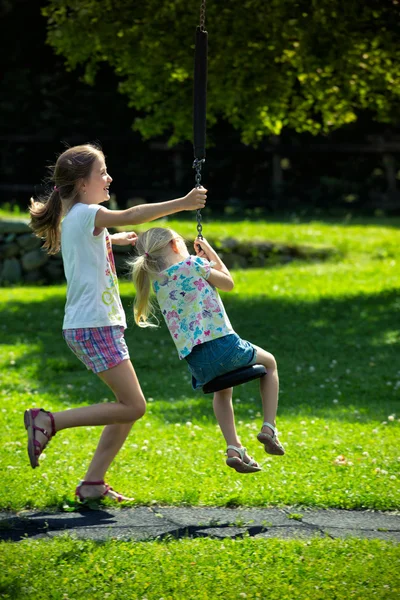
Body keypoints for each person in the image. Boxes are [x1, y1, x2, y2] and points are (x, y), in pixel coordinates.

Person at [24, 143, 207, 502]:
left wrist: (112, 239)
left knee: (127, 405)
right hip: (93, 325)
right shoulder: (88, 213)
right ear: (81, 183)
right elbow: (134, 213)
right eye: (101, 173)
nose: (108, 178)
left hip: (92, 324)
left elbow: (90, 240)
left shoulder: (77, 217)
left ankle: (93, 483)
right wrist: (182, 203)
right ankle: (48, 422)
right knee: (134, 406)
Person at [130, 227, 284, 474]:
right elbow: (228, 282)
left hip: (197, 361)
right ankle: (269, 428)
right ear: (173, 245)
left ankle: (234, 448)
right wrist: (211, 252)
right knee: (271, 363)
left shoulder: (158, 281)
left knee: (222, 393)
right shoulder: (194, 264)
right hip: (224, 344)